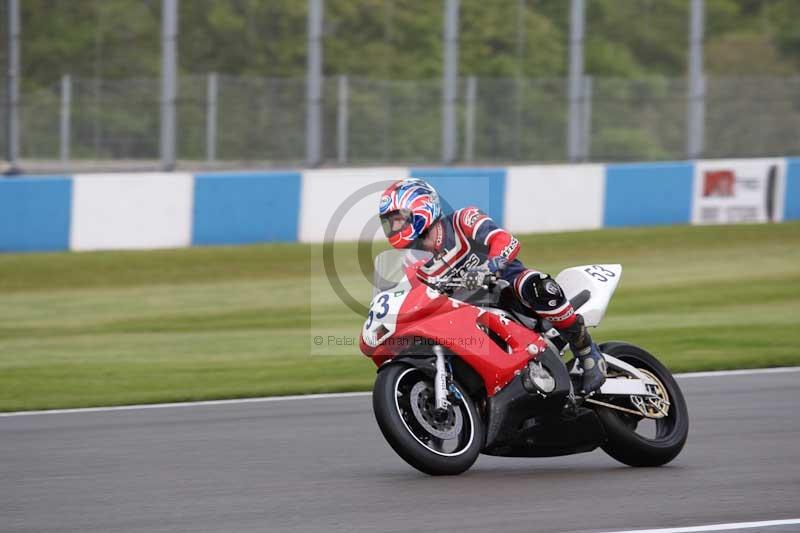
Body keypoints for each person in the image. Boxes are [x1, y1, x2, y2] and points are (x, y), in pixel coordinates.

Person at [378, 177, 606, 394]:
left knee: (538, 286)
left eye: (398, 218)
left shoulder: (463, 220)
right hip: (466, 313)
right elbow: (413, 296)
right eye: (389, 222)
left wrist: (487, 268)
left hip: (506, 286)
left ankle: (586, 350)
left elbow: (506, 241)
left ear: (420, 209)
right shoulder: (411, 262)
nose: (394, 227)